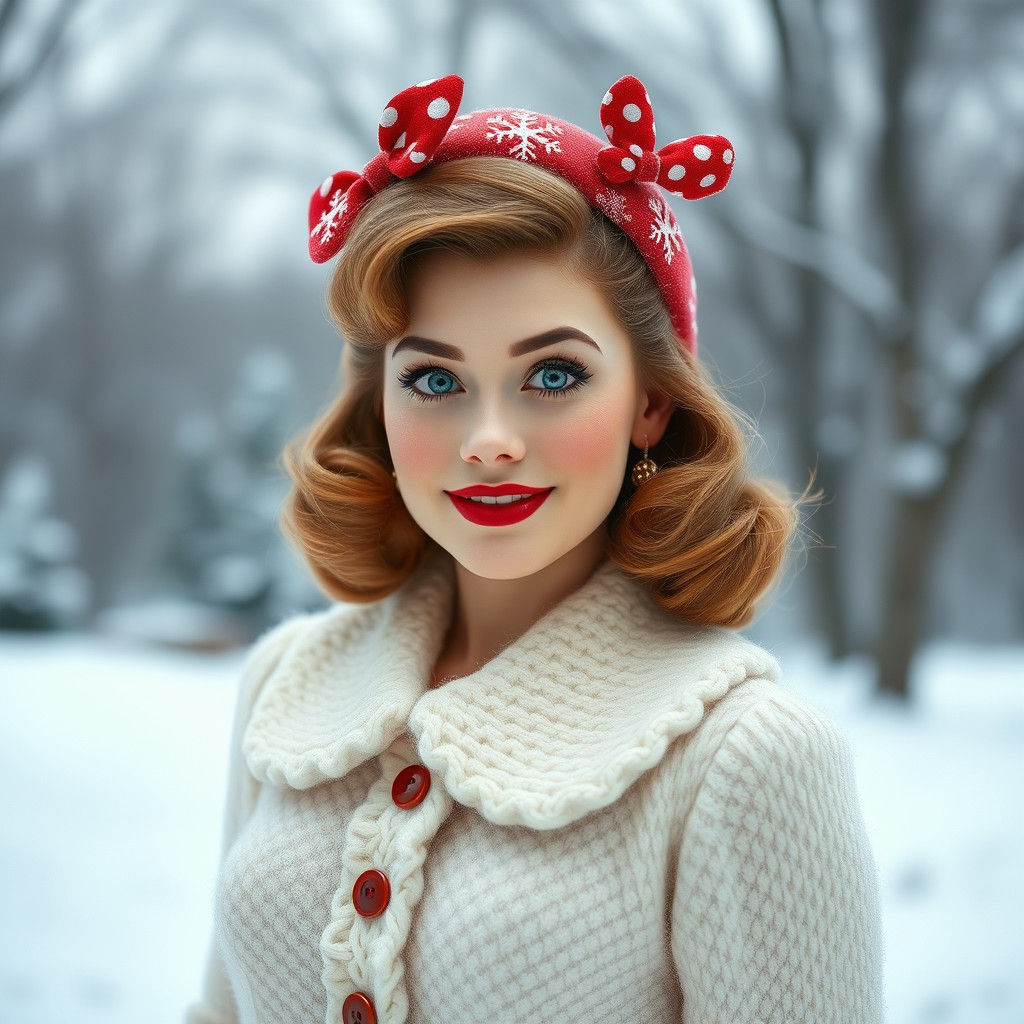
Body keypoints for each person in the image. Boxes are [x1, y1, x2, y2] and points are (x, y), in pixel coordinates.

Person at [184, 73, 885, 1024]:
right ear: (380, 404)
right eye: (434, 380)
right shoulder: (285, 685)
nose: (489, 439)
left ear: (651, 401)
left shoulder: (745, 757)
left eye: (552, 373)